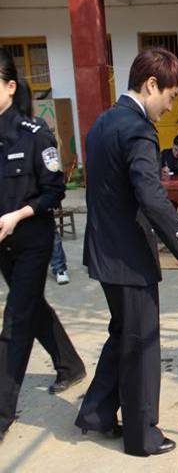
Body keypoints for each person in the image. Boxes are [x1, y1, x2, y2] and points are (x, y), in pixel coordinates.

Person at [76, 47, 178, 457]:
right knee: (141, 344)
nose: (169, 107)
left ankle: (96, 412)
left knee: (122, 334)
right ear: (151, 85)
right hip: (128, 258)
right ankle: (141, 435)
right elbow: (151, 195)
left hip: (103, 252)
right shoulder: (137, 129)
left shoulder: (102, 123)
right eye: (169, 96)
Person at [0, 48, 86, 443]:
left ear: (9, 86)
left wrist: (18, 215)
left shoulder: (36, 136)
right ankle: (69, 364)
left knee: (14, 319)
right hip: (3, 245)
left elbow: (54, 192)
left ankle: (2, 411)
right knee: (31, 306)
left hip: (33, 241)